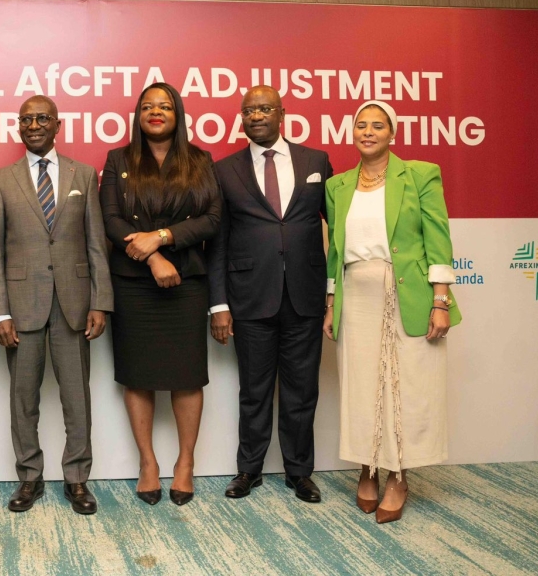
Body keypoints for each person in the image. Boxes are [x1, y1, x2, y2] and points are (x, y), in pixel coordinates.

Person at [324, 100, 461, 524]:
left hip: (408, 294)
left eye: (377, 125)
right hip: (356, 294)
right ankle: (367, 466)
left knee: (408, 386)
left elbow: (438, 237)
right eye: (361, 125)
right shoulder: (337, 185)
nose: (368, 131)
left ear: (392, 133)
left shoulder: (420, 174)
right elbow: (335, 252)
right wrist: (331, 302)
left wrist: (440, 300)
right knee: (362, 385)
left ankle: (399, 475)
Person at [0, 96, 113, 515]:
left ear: (58, 125)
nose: (34, 125)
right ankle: (30, 477)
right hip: (21, 306)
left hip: (74, 304)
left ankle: (77, 478)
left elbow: (96, 244)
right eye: (26, 119)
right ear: (18, 127)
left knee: (77, 398)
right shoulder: (1, 180)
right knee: (23, 399)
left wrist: (100, 302)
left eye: (42, 118)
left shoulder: (84, 174)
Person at [208, 86, 333, 504]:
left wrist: (334, 292)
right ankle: (249, 470)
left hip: (305, 295)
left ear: (282, 113)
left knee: (302, 391)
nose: (256, 116)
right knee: (254, 390)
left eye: (264, 108)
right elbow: (218, 243)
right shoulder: (225, 170)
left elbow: (339, 228)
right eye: (248, 111)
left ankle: (300, 472)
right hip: (250, 297)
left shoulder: (316, 162)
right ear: (241, 118)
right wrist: (219, 304)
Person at [100, 82, 221, 506]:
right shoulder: (119, 160)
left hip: (187, 282)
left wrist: (163, 237)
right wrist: (152, 257)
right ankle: (148, 463)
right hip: (133, 283)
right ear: (138, 116)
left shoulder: (200, 160)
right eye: (148, 106)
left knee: (187, 376)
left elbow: (212, 219)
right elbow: (111, 219)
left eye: (164, 106)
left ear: (177, 114)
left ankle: (185, 462)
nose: (155, 112)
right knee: (139, 375)